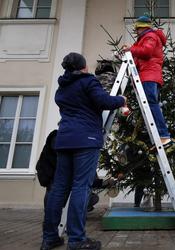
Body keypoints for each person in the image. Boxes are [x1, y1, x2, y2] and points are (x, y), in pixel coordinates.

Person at [41, 52, 126, 250]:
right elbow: (104, 101)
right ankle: (77, 240)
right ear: (83, 67)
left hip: (63, 140)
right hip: (85, 140)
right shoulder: (88, 82)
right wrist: (121, 99)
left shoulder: (62, 88)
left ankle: (50, 237)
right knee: (81, 187)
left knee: (59, 187)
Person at [121, 15, 172, 149]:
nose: (136, 31)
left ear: (142, 27)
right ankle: (160, 138)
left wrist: (130, 49)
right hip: (148, 74)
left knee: (151, 104)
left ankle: (164, 135)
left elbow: (147, 52)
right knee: (150, 105)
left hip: (149, 75)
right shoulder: (145, 38)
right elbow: (140, 56)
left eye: (137, 28)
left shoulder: (150, 37)